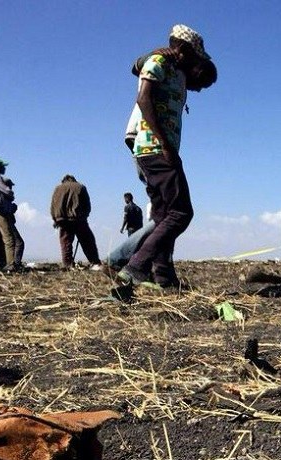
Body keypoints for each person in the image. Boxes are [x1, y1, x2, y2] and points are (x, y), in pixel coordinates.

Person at [118, 24, 215, 289]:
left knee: (162, 216)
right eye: (196, 58)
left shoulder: (177, 71)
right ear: (183, 50)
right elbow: (143, 98)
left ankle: (164, 276)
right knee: (181, 212)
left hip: (157, 149)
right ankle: (133, 267)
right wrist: (166, 147)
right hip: (154, 149)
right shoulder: (160, 60)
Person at [50, 175, 101, 268]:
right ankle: (95, 262)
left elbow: (53, 206)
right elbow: (87, 205)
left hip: (62, 219)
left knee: (66, 242)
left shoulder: (58, 188)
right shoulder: (80, 187)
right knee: (87, 241)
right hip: (78, 219)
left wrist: (55, 219)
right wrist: (85, 216)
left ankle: (67, 264)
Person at [0, 159, 24, 271]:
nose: (4, 168)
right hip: (0, 212)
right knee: (9, 239)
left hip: (2, 211)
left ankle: (10, 264)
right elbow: (9, 192)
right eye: (3, 166)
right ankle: (10, 265)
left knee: (9, 239)